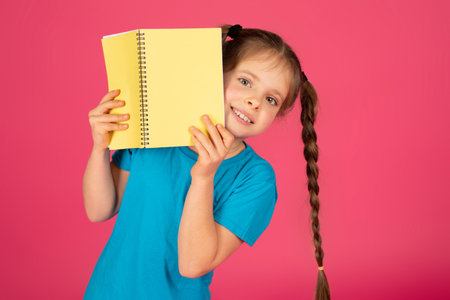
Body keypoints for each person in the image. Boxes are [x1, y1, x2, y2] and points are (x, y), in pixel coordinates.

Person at [83, 24, 330, 300]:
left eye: (271, 99)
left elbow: (192, 265)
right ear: (215, 75)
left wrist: (203, 176)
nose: (254, 102)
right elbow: (99, 210)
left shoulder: (256, 178)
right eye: (246, 82)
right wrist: (99, 148)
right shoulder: (155, 130)